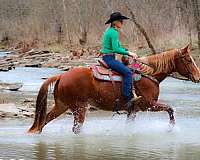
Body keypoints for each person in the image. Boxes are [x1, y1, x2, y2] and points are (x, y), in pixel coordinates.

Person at [100, 12, 139, 113]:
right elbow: (115, 48)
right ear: (115, 22)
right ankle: (128, 97)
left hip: (109, 57)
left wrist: (125, 51)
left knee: (128, 68)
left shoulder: (110, 31)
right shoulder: (113, 32)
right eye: (121, 21)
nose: (122, 23)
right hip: (110, 59)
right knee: (128, 73)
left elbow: (117, 47)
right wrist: (129, 53)